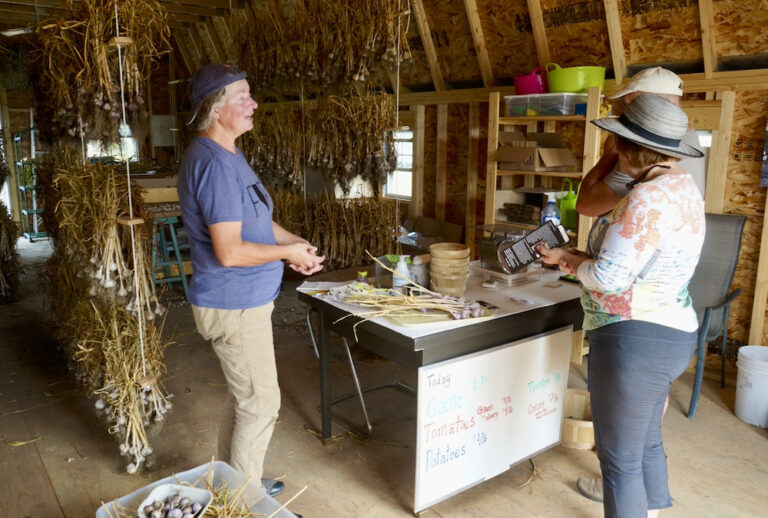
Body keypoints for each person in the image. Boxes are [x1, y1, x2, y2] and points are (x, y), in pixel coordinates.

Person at [538, 95, 705, 518]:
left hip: (633, 338)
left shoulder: (643, 198)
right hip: (675, 332)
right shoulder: (683, 186)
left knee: (618, 460)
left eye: (616, 143)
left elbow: (609, 277)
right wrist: (580, 257)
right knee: (645, 439)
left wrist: (569, 260)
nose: (612, 151)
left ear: (628, 149)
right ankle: (651, 512)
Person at [177, 64, 324, 497]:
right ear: (214, 108)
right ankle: (240, 502)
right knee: (261, 404)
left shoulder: (229, 155)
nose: (254, 103)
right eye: (242, 96)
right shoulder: (213, 164)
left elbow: (258, 221)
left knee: (244, 400)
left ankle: (231, 482)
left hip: (244, 301)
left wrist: (296, 244)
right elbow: (230, 250)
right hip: (233, 304)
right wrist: (285, 254)